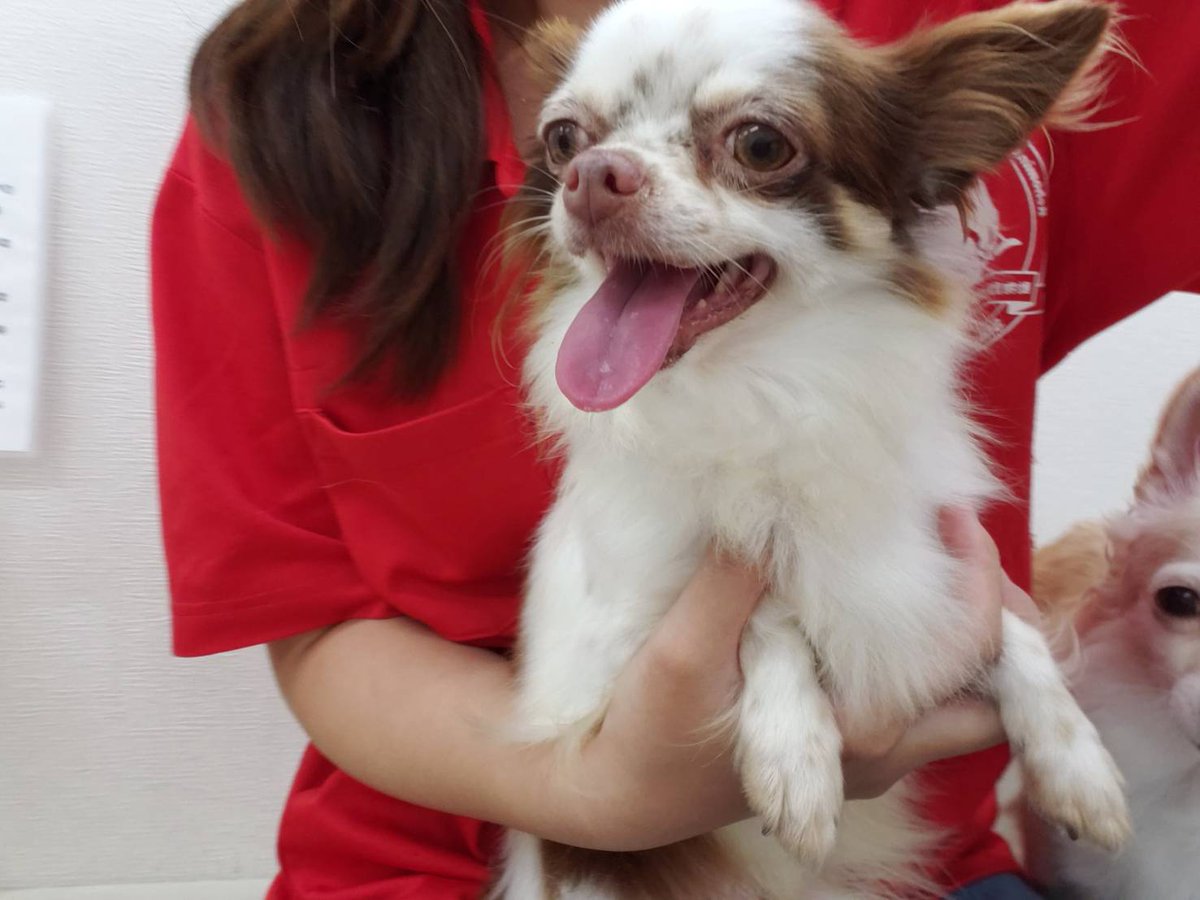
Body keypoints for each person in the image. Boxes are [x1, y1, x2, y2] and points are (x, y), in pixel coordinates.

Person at [150, 1, 1200, 897]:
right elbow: (313, 625)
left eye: (758, 148)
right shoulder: (292, 102)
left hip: (901, 864)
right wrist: (597, 794)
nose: (596, 177)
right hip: (455, 861)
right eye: (569, 142)